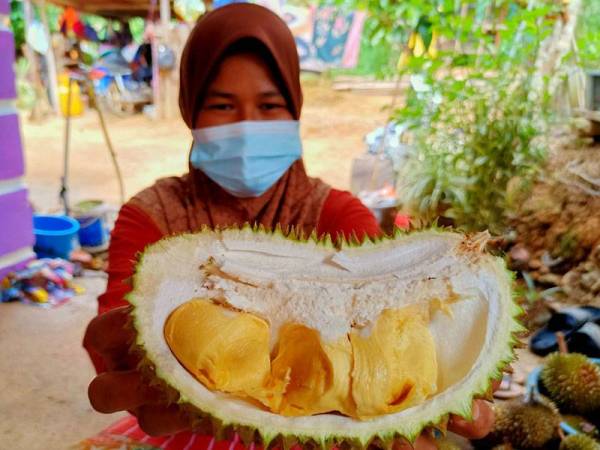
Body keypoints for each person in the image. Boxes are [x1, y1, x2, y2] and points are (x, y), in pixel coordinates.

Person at [83, 4, 495, 450]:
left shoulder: (338, 215)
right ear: (190, 111)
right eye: (221, 105)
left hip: (321, 429)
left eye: (269, 105)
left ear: (295, 109)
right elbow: (119, 343)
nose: (247, 125)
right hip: (187, 422)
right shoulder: (151, 216)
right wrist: (128, 352)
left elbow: (377, 334)